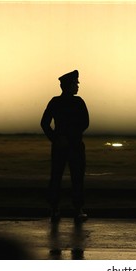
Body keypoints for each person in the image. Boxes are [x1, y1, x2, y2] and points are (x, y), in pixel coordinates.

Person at [41, 70, 89, 223]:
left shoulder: (66, 102)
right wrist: (57, 138)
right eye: (75, 84)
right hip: (67, 145)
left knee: (72, 177)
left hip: (69, 145)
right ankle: (63, 208)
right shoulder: (68, 102)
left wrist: (57, 138)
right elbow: (45, 123)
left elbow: (85, 122)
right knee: (62, 177)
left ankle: (69, 208)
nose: (77, 86)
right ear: (68, 85)